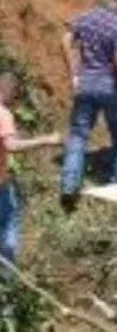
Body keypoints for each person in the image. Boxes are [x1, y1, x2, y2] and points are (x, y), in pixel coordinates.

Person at [59, 0, 117, 213]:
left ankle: (69, 186)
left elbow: (66, 39)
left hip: (85, 85)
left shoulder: (87, 17)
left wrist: (74, 75)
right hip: (110, 88)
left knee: (78, 135)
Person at [0, 73, 62, 266]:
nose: (15, 101)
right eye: (15, 95)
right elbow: (11, 146)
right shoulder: (3, 113)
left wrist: (18, 135)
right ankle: (7, 277)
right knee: (11, 223)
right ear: (8, 90)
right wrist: (46, 140)